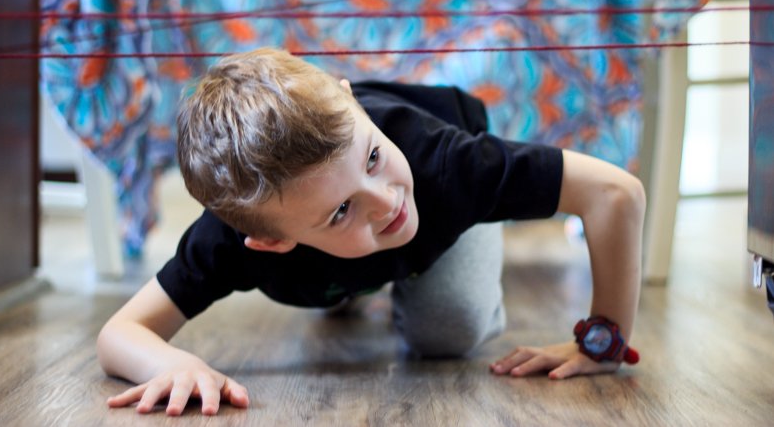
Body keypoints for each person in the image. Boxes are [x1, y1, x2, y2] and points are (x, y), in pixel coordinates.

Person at [97, 47, 645, 416]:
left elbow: (616, 194)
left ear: (351, 98)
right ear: (269, 244)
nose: (387, 203)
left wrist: (604, 340)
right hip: (329, 264)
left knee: (447, 330)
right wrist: (175, 363)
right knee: (336, 275)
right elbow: (119, 333)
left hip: (447, 207)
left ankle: (365, 236)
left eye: (373, 157)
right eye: (340, 210)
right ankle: (353, 279)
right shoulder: (229, 242)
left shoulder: (444, 166)